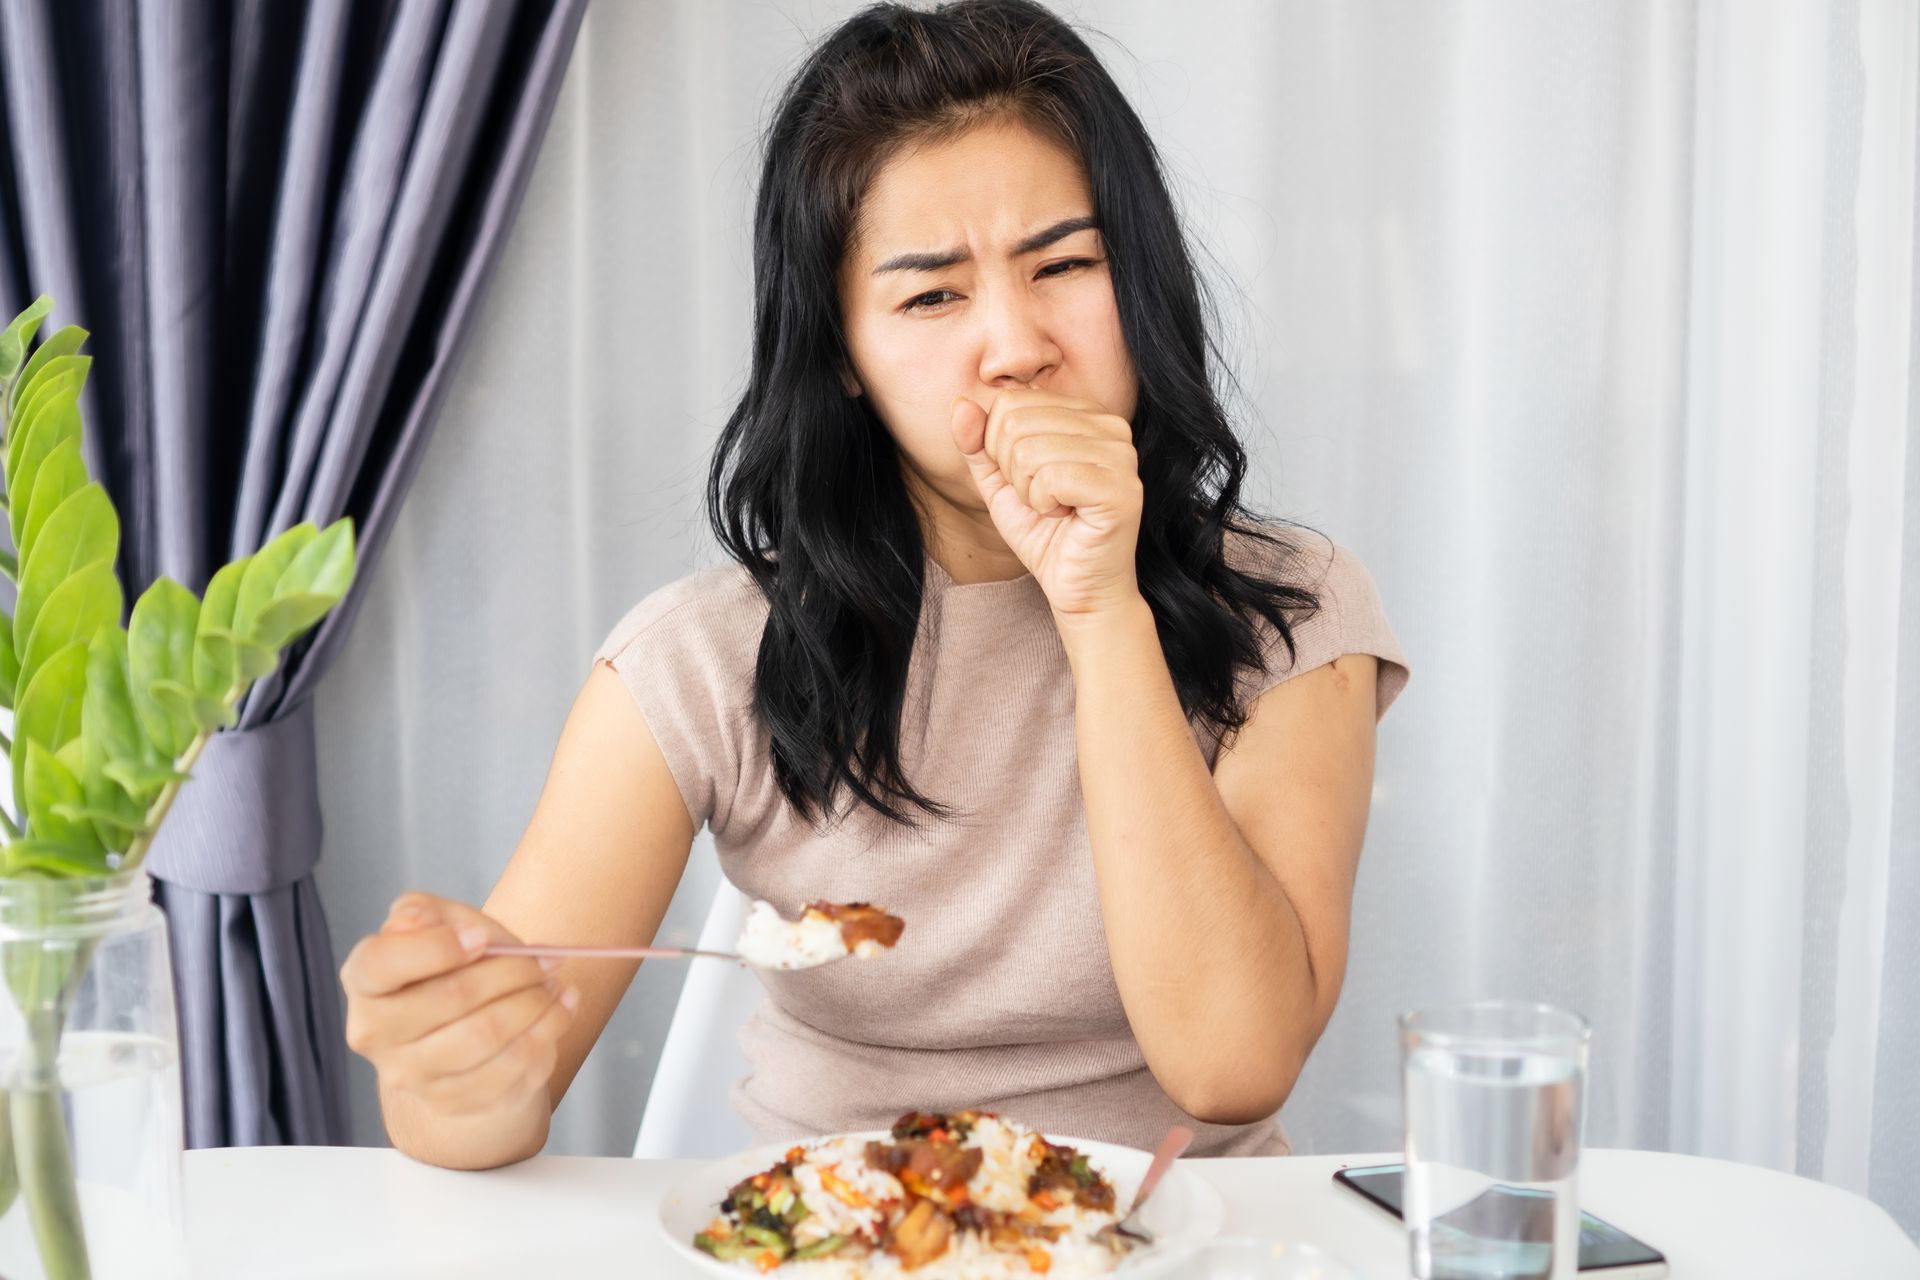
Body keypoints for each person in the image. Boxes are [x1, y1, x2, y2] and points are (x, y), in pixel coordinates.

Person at [340, 0, 1409, 1171]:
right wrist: (447, 1067)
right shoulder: (699, 660)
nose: (1015, 343)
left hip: (1192, 1243)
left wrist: (1100, 606)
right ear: (842, 356)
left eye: (1064, 263)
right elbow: (502, 1086)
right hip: (836, 1240)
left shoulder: (1291, 611)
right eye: (931, 295)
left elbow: (1232, 1066)